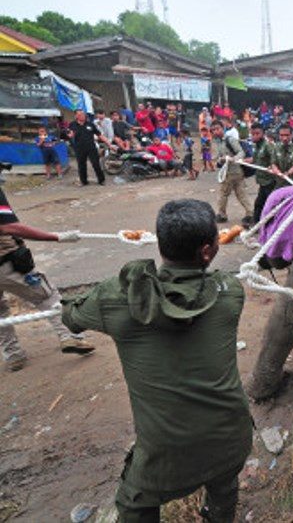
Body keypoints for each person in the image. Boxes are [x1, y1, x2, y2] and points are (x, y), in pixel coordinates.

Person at [61, 199, 253, 522]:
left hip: (165, 457)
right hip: (232, 438)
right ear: (207, 252)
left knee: (135, 504)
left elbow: (71, 317)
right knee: (224, 483)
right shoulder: (230, 292)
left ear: (161, 243)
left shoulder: (115, 297)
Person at [0, 169, 92, 371]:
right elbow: (10, 227)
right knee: (46, 296)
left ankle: (13, 356)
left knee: (0, 312)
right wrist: (56, 237)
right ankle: (70, 336)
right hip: (5, 262)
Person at [210, 120, 252, 225]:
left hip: (235, 171)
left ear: (223, 128)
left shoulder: (230, 140)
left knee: (226, 194)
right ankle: (249, 212)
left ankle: (222, 214)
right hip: (227, 172)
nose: (215, 131)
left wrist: (233, 158)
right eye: (213, 130)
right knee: (237, 194)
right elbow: (218, 158)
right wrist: (221, 160)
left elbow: (241, 152)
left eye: (217, 129)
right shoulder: (218, 142)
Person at [68, 109, 111, 186]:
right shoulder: (72, 125)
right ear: (76, 116)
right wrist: (69, 135)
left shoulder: (90, 124)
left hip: (91, 147)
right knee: (81, 165)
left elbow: (100, 135)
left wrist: (109, 144)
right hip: (79, 148)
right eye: (80, 114)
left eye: (83, 114)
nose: (82, 116)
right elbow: (69, 134)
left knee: (96, 164)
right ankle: (84, 181)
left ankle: (101, 180)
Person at [248, 123, 274, 220]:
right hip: (262, 181)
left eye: (257, 134)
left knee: (269, 204)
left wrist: (272, 166)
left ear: (262, 134)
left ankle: (269, 224)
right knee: (259, 203)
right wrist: (240, 161)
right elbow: (254, 160)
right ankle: (257, 224)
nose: (254, 136)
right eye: (252, 134)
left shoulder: (268, 146)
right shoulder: (257, 147)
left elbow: (274, 160)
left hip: (269, 181)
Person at [269, 123, 293, 188]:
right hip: (279, 185)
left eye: (287, 135)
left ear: (291, 135)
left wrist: (287, 174)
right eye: (282, 135)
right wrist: (276, 171)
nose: (285, 138)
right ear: (278, 136)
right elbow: (273, 163)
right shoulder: (276, 148)